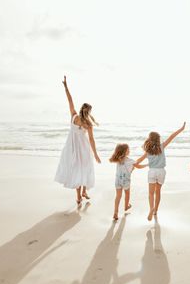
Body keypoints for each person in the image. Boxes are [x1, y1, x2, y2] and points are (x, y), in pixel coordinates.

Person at [54, 75, 102, 206]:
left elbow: (69, 100)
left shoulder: (74, 116)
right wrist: (96, 154)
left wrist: (66, 87)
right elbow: (91, 140)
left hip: (72, 148)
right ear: (88, 111)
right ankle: (84, 192)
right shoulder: (88, 124)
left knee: (77, 170)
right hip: (83, 148)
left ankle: (79, 196)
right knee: (85, 168)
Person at [135, 123, 186, 221]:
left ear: (150, 139)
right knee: (157, 192)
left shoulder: (148, 151)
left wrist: (137, 166)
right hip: (161, 172)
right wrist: (181, 129)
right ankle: (155, 211)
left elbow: (137, 162)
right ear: (158, 139)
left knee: (150, 193)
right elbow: (172, 136)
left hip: (152, 172)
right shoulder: (162, 147)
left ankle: (151, 208)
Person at [109, 144, 147, 221]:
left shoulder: (118, 159)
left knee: (118, 196)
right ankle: (126, 206)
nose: (129, 151)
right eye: (128, 150)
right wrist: (146, 164)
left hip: (118, 180)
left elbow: (132, 165)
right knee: (127, 194)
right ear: (124, 151)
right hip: (125, 181)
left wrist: (132, 168)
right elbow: (138, 165)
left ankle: (115, 212)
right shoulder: (129, 160)